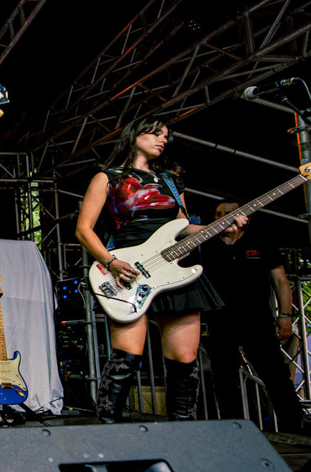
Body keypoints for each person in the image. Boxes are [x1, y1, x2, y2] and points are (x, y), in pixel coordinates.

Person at [74, 117, 244, 423]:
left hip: (173, 270)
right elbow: (84, 230)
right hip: (127, 270)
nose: (163, 140)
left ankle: (183, 435)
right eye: (155, 133)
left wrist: (220, 227)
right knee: (126, 358)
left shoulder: (171, 180)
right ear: (134, 136)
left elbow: (183, 227)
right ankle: (107, 431)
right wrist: (111, 262)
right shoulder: (107, 178)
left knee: (184, 360)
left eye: (166, 136)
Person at [201, 201, 304, 432]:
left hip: (257, 320)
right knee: (224, 378)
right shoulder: (205, 245)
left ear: (242, 216)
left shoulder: (261, 241)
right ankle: (234, 431)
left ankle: (295, 430)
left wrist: (285, 315)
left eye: (229, 213)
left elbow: (280, 280)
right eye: (218, 214)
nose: (223, 218)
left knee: (275, 375)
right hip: (218, 321)